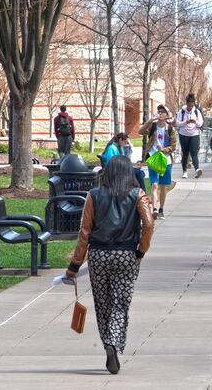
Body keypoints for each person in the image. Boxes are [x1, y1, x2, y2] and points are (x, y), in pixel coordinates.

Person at [66, 156, 155, 375]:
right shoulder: (137, 195)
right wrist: (141, 250)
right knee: (120, 304)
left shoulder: (94, 195)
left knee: (103, 304)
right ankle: (113, 341)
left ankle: (107, 340)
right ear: (128, 173)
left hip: (98, 255)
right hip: (126, 254)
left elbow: (84, 231)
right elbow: (149, 223)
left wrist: (75, 264)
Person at [138, 105, 176, 219]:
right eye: (159, 112)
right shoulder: (153, 127)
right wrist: (150, 119)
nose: (160, 114)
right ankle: (154, 208)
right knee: (154, 184)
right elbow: (141, 131)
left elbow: (173, 146)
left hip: (166, 160)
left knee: (163, 186)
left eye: (163, 112)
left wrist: (163, 150)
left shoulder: (170, 129)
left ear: (166, 115)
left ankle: (161, 209)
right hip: (153, 159)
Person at [176, 94, 204, 179]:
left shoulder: (197, 112)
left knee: (194, 153)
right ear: (186, 104)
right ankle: (184, 171)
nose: (191, 107)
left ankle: (197, 170)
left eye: (192, 105)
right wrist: (186, 122)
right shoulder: (182, 112)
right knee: (185, 153)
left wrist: (195, 121)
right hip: (184, 135)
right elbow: (177, 124)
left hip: (194, 134)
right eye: (189, 105)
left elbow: (201, 123)